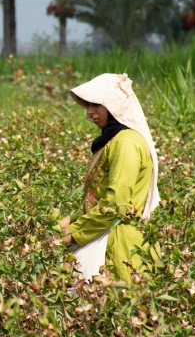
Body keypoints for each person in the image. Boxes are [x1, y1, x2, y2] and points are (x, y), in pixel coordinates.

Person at [59, 73, 160, 283]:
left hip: (119, 243)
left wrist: (73, 234)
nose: (89, 113)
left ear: (114, 106)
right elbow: (101, 198)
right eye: (87, 106)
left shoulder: (126, 142)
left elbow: (116, 205)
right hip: (107, 231)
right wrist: (71, 219)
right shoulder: (115, 139)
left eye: (96, 105)